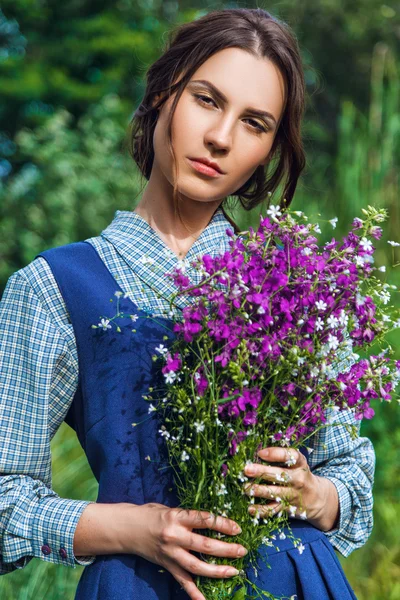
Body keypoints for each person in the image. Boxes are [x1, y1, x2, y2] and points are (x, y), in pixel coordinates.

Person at [0, 8, 375, 600]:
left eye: (254, 122)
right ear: (161, 95)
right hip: (138, 585)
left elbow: (351, 474)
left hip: (293, 580)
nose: (221, 138)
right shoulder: (52, 288)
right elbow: (4, 500)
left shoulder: (297, 290)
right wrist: (138, 528)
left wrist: (315, 494)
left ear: (271, 148)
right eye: (206, 99)